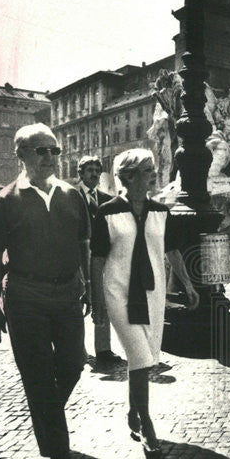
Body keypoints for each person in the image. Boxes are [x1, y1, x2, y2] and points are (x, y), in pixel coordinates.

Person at [0, 124, 90, 459]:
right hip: (25, 298)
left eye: (54, 150)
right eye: (40, 150)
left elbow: (84, 247)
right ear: (21, 155)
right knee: (39, 374)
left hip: (68, 295)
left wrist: (89, 286)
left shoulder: (73, 195)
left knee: (74, 363)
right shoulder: (4, 202)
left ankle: (44, 416)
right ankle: (59, 453)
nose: (49, 157)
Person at [90, 149, 199, 459]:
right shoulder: (107, 212)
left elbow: (173, 251)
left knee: (144, 360)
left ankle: (133, 411)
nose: (154, 174)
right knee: (139, 356)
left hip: (153, 293)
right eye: (148, 170)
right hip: (118, 293)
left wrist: (188, 285)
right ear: (128, 176)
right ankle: (148, 425)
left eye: (153, 169)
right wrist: (98, 303)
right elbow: (97, 261)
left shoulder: (162, 212)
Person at [75, 154, 123, 368]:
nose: (94, 175)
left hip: (101, 257)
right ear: (81, 173)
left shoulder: (105, 199)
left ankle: (103, 349)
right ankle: (77, 349)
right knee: (78, 302)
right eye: (89, 171)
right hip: (77, 258)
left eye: (97, 171)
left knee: (103, 300)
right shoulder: (71, 196)